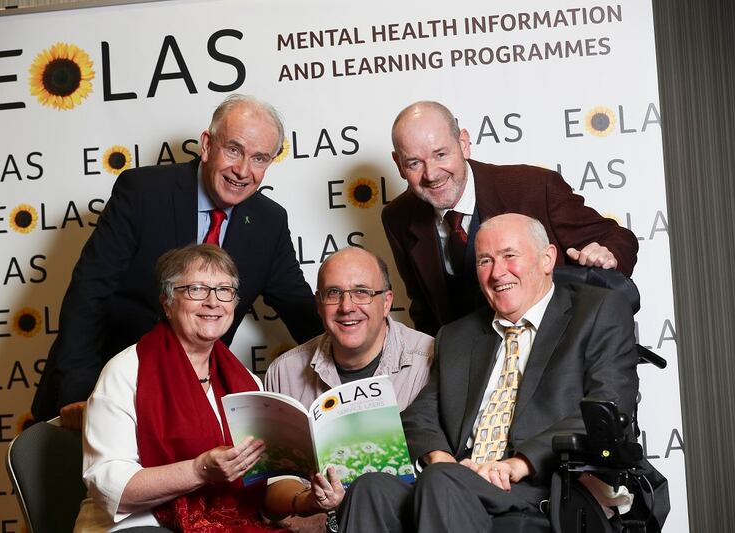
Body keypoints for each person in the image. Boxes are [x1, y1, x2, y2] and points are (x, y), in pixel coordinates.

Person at [336, 214, 669, 532]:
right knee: (370, 489)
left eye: (510, 255)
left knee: (442, 483)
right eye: (485, 261)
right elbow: (421, 415)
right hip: (460, 478)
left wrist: (519, 463)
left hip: (545, 485)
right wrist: (441, 460)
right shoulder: (458, 335)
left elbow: (607, 407)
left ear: (547, 259)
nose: (497, 273)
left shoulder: (597, 312)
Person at [33, 94, 322, 428]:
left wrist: (357, 356)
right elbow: (89, 293)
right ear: (207, 144)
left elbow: (302, 313)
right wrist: (80, 394)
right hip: (104, 388)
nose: (243, 171)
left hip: (186, 406)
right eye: (233, 150)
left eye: (259, 159)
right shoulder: (142, 192)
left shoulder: (267, 222)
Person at [75, 244, 343, 533]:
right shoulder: (125, 371)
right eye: (197, 289)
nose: (213, 302)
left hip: (231, 523)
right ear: (167, 301)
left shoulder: (247, 383)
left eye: (224, 290)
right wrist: (199, 470)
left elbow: (265, 484)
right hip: (141, 524)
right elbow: (108, 484)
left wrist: (308, 500)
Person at [382, 100, 640, 336]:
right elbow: (424, 310)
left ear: (463, 143)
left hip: (555, 350)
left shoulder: (536, 188)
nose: (431, 174)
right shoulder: (398, 218)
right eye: (415, 163)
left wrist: (608, 252)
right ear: (398, 164)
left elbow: (617, 237)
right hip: (470, 368)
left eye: (441, 154)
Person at [265, 246, 433, 411]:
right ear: (319, 304)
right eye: (333, 293)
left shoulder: (431, 362)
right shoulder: (283, 374)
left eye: (361, 292)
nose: (346, 307)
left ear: (386, 302)